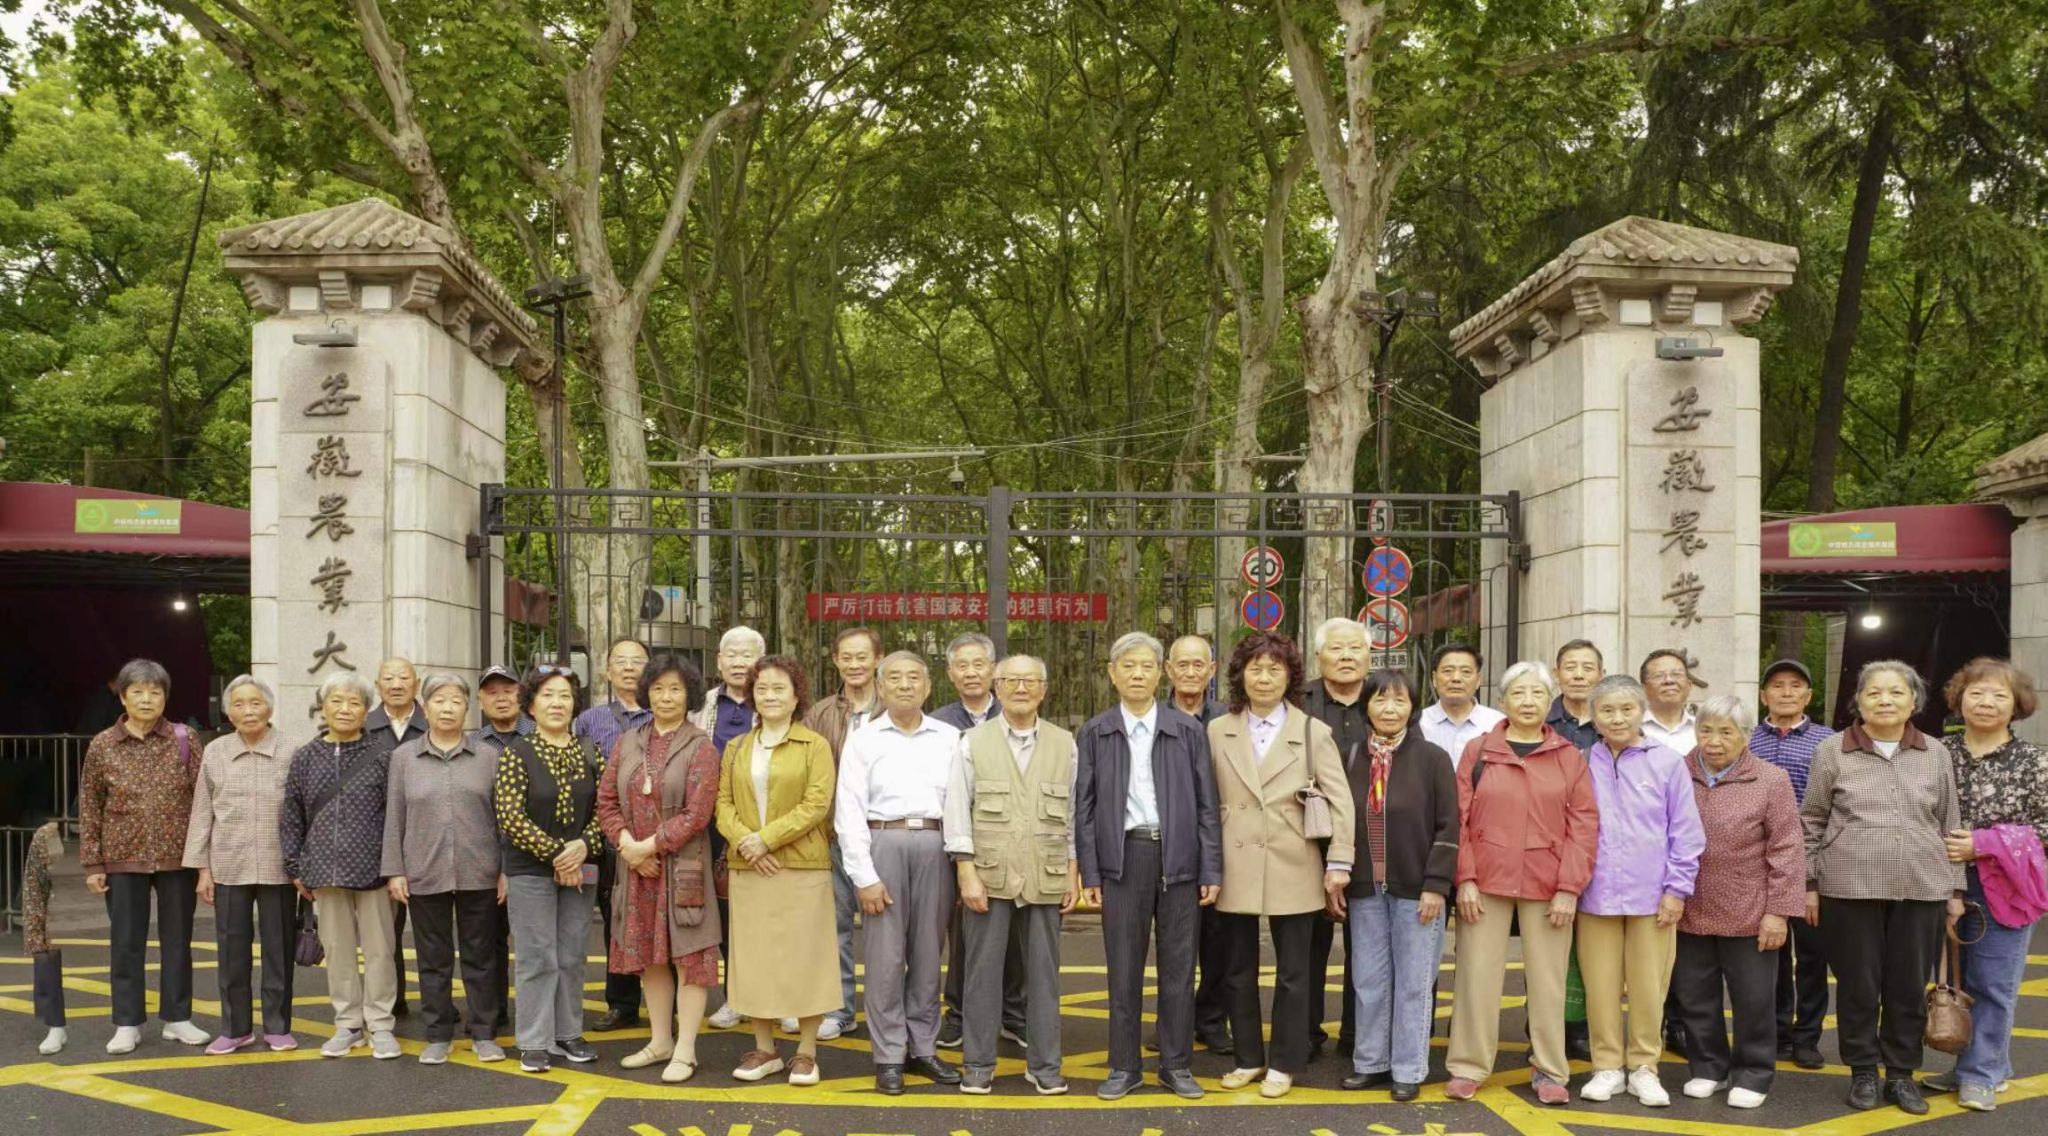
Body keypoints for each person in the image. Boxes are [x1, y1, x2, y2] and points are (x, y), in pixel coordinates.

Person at [1802, 659, 1964, 1115]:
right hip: (1848, 887)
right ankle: (1862, 1072)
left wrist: (1955, 891)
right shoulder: (1833, 751)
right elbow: (1811, 820)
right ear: (1859, 701)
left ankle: (1900, 1074)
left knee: (1908, 986)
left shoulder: (1935, 753)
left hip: (1922, 885)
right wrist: (1809, 883)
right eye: (1874, 692)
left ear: (1914, 702)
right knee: (1858, 985)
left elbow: (1950, 823)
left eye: (1896, 692)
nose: (1885, 700)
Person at [1207, 632, 1355, 1099]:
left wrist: (1339, 861)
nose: (1265, 678)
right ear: (1241, 676)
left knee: (1295, 971)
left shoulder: (1313, 732)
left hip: (1295, 858)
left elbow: (1341, 802)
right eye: (1256, 668)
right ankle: (1248, 1057)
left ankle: (1286, 1062)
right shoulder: (1218, 729)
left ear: (1291, 676)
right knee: (1237, 968)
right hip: (1235, 858)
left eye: (1275, 669)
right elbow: (1205, 801)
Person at [1075, 631, 1220, 1102]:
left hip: (1179, 857)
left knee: (1179, 969)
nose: (1137, 675)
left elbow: (1207, 805)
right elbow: (1085, 808)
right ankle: (1124, 1066)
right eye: (1128, 666)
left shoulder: (1186, 730)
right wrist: (1091, 872)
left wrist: (1211, 869)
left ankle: (1176, 1065)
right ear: (1112, 674)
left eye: (1146, 666)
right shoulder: (1096, 731)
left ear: (1161, 674)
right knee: (1123, 968)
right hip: (1124, 858)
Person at [1445, 661, 1598, 1105]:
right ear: (1502, 701)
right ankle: (1468, 1065)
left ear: (1549, 702)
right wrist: (1465, 878)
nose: (1528, 702)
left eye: (1537, 694)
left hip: (1548, 882)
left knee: (1548, 981)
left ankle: (1549, 1068)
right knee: (1476, 976)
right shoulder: (1478, 751)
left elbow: (1584, 826)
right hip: (1485, 880)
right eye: (1518, 693)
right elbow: (1458, 820)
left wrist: (1569, 887)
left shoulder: (1568, 756)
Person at [944, 654, 1079, 1095]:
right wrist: (965, 871)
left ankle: (1044, 1065)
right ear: (997, 687)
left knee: (1044, 976)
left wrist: (1072, 871)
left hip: (1045, 871)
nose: (1021, 688)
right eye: (1012, 680)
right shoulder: (972, 742)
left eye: (1030, 681)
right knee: (981, 973)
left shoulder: (1065, 743)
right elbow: (956, 810)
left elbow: (1072, 815)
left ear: (1044, 689)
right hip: (988, 873)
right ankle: (978, 1064)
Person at [835, 651, 964, 1095]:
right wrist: (864, 876)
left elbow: (962, 803)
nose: (905, 685)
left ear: (927, 687)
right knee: (886, 959)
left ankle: (922, 1047)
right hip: (883, 844)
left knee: (928, 954)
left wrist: (962, 863)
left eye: (914, 678)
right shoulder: (864, 740)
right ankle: (889, 1053)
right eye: (895, 678)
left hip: (936, 844)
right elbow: (848, 811)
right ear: (880, 687)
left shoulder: (950, 738)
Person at [1574, 675, 1705, 1108]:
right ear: (1593, 716)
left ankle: (1645, 1067)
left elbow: (1686, 832)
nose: (1617, 718)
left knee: (1650, 988)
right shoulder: (1579, 762)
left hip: (1653, 897)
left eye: (1626, 709)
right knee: (1600, 987)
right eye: (1607, 710)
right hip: (1595, 896)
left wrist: (1676, 889)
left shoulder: (1667, 762)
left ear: (1641, 711)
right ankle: (1607, 1066)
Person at [1672, 695, 1803, 1110]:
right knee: (1695, 995)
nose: (1714, 741)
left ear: (1746, 736)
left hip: (1750, 909)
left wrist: (1778, 913)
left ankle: (1753, 1073)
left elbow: (1787, 848)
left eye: (1726, 732)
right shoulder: (1677, 772)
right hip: (1688, 905)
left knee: (1754, 999)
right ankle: (1708, 1067)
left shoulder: (1770, 779)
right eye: (1706, 730)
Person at [1927, 658, 2048, 1111]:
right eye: (1976, 693)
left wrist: (1982, 844)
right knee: (1954, 981)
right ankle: (1976, 1064)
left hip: (2006, 888)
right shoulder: (1937, 754)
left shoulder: (2036, 762)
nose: (1986, 702)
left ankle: (1982, 1073)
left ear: (2017, 705)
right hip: (1940, 882)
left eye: (2000, 695)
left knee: (1994, 982)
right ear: (1959, 700)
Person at [596, 653, 722, 1083]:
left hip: (684, 870)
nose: (666, 697)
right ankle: (660, 1040)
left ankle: (686, 1049)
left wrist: (649, 845)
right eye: (658, 689)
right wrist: (626, 846)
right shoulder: (627, 742)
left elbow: (697, 813)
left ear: (689, 695)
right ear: (646, 693)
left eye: (675, 689)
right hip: (637, 869)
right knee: (650, 957)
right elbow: (606, 801)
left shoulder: (701, 746)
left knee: (689, 958)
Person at [717, 655, 839, 1087]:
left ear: (795, 695)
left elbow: (817, 803)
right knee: (754, 959)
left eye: (779, 688)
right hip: (750, 867)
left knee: (806, 957)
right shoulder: (736, 747)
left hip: (802, 865)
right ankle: (764, 1049)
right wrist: (747, 843)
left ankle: (806, 1052)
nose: (769, 695)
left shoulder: (814, 745)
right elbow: (722, 804)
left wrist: (766, 839)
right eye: (762, 688)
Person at [1338, 668, 1457, 1101]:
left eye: (1400, 700)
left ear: (1413, 707)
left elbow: (1449, 825)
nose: (1389, 709)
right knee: (1369, 981)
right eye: (1380, 699)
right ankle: (1371, 1062)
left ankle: (1408, 1068)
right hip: (1366, 889)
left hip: (1417, 890)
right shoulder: (1351, 757)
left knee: (1413, 982)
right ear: (1366, 706)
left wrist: (1436, 885)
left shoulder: (1433, 759)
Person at [78, 657, 207, 1055]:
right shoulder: (103, 744)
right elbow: (90, 804)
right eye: (138, 692)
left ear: (165, 697)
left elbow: (203, 800)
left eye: (155, 692)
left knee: (178, 941)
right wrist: (93, 863)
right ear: (123, 696)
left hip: (177, 858)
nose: (147, 699)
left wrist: (204, 860)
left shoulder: (185, 739)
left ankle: (178, 1018)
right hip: (122, 857)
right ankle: (127, 1022)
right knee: (125, 943)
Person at [383, 674, 506, 1065]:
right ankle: (437, 1035)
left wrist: (505, 870)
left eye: (456, 700)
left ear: (467, 707)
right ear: (426, 707)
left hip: (480, 871)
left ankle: (484, 1033)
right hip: (424, 870)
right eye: (439, 700)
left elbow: (503, 819)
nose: (448, 708)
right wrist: (394, 870)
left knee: (481, 957)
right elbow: (394, 817)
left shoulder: (488, 756)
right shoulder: (404, 758)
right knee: (432, 959)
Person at [282, 670, 401, 1060]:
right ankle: (348, 1024)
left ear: (367, 710)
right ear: (323, 706)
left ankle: (380, 1024)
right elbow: (292, 814)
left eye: (354, 702)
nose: (345, 709)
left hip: (374, 871)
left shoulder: (383, 756)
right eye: (336, 701)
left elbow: (396, 816)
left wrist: (395, 866)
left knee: (380, 950)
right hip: (324, 871)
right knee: (338, 951)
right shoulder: (305, 757)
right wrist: (295, 866)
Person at [496, 666, 606, 1074]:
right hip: (530, 871)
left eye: (564, 696)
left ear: (575, 704)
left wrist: (582, 847)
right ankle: (534, 1039)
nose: (557, 703)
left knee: (573, 955)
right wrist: (560, 855)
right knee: (537, 956)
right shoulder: (517, 753)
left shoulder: (590, 751)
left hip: (582, 867)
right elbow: (510, 817)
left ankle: (568, 1033)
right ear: (531, 705)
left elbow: (607, 808)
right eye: (547, 695)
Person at [185, 675, 297, 1055]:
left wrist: (303, 865)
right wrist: (202, 869)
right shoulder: (215, 752)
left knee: (278, 950)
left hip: (279, 867)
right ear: (228, 712)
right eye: (239, 704)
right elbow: (202, 812)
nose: (248, 711)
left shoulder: (291, 750)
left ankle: (278, 1027)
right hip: (229, 865)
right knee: (231, 951)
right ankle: (235, 1029)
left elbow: (303, 811)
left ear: (269, 708)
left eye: (255, 703)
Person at [931, 632, 1024, 1051]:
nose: (971, 672)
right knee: (963, 932)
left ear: (994, 670)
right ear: (951, 674)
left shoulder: (1016, 712)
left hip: (1011, 840)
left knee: (1016, 931)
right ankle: (959, 1013)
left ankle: (1014, 1014)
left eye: (978, 664)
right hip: (959, 842)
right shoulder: (938, 723)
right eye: (962, 665)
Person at [1750, 657, 1834, 1070]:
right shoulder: (1748, 740)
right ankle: (1778, 1031)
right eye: (1777, 685)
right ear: (1763, 695)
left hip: (1811, 861)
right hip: (1759, 864)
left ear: (1808, 696)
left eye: (1795, 685)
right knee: (1772, 953)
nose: (1786, 692)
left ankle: (1807, 1037)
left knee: (1813, 956)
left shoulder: (1828, 741)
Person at [802, 625, 885, 1042]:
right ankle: (839, 1010)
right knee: (834, 927)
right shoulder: (820, 714)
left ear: (877, 659)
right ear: (835, 660)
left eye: (862, 656)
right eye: (846, 657)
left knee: (886, 929)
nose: (854, 665)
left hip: (883, 836)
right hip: (834, 835)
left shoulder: (896, 708)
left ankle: (888, 1012)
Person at [1302, 619, 1372, 1063]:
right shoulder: (1297, 701)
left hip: (1371, 839)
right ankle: (1305, 1034)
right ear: (1318, 656)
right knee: (1308, 944)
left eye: (1354, 648)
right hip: (1308, 838)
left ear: (1369, 655)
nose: (1346, 657)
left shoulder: (1385, 698)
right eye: (1336, 648)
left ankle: (1357, 1035)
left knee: (1365, 944)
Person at [575, 638, 653, 1034]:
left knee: (662, 921)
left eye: (637, 660)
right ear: (607, 671)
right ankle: (622, 1004)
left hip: (658, 838)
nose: (628, 667)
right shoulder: (589, 721)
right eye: (620, 661)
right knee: (616, 921)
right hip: (609, 836)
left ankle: (667, 1004)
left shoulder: (667, 714)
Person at [1165, 633, 1232, 1054]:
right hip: (1169, 842)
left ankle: (1211, 1019)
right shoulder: (1154, 718)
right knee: (1173, 942)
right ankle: (1172, 1023)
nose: (1190, 672)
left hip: (1223, 839)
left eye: (1198, 664)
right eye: (1182, 664)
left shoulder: (1229, 720)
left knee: (1219, 938)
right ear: (1168, 670)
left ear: (1212, 670)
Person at [697, 628, 761, 1031]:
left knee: (768, 909)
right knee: (723, 911)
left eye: (747, 655)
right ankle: (735, 996)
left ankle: (778, 996)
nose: (739, 662)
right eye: (732, 655)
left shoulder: (773, 699)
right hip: (712, 822)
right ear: (719, 661)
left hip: (762, 822)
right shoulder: (701, 705)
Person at [471, 663, 531, 1037]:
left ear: (521, 695)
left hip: (534, 858)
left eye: (508, 691)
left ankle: (535, 1016)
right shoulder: (473, 745)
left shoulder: (539, 736)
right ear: (480, 700)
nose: (502, 698)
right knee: (487, 942)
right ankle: (491, 1013)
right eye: (492, 693)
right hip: (486, 859)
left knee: (534, 942)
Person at [365, 657, 423, 1019]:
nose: (397, 684)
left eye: (404, 678)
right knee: (384, 931)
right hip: (377, 842)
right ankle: (391, 999)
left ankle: (438, 1002)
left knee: (433, 930)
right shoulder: (362, 727)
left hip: (426, 839)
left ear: (417, 685)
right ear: (377, 686)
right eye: (389, 678)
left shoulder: (434, 725)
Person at [1420, 643, 1504, 770]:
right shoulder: (1418, 723)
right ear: (1434, 679)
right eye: (1448, 671)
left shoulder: (1497, 723)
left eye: (1466, 672)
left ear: (1478, 680)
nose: (1456, 678)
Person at [26, 821, 66, 1054]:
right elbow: (34, 885)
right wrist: (34, 929)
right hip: (62, 901)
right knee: (47, 950)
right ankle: (55, 1025)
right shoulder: (47, 833)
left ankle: (127, 1024)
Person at [1547, 639, 1604, 752]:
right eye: (1570, 668)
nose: (1579, 675)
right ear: (1556, 675)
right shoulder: (1540, 721)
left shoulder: (1615, 722)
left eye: (1588, 668)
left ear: (1601, 676)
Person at [1640, 649, 1698, 754]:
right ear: (1644, 689)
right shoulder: (1630, 729)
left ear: (1689, 686)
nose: (1669, 680)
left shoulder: (1702, 729)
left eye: (1676, 674)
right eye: (1659, 675)